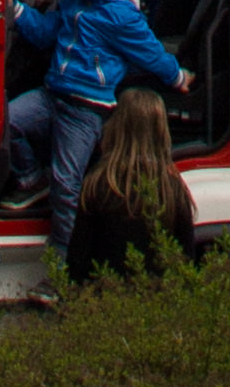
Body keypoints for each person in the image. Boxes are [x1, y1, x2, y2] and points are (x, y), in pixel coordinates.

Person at [2, 0, 184, 270]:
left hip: (85, 112)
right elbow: (44, 34)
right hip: (51, 95)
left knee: (66, 185)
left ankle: (62, 265)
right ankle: (30, 179)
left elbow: (152, 53)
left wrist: (177, 77)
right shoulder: (74, 3)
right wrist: (17, 10)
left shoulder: (122, 17)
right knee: (8, 121)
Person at [67, 85, 196, 285]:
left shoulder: (98, 184)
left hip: (106, 296)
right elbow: (186, 260)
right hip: (157, 298)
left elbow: (77, 261)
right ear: (161, 131)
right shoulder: (172, 189)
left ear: (118, 126)